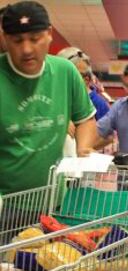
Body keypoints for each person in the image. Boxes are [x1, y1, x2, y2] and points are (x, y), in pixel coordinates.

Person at [0, 1, 97, 194]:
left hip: (53, 198)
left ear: (49, 34)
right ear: (5, 39)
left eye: (35, 39)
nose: (27, 49)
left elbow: (85, 119)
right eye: (18, 41)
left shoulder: (65, 71)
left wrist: (83, 150)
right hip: (6, 204)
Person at [57, 47, 110, 121]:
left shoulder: (98, 104)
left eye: (85, 75)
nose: (84, 80)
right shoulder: (54, 97)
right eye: (76, 75)